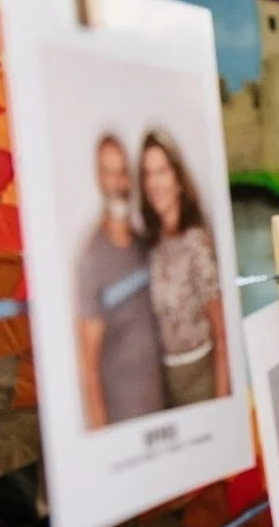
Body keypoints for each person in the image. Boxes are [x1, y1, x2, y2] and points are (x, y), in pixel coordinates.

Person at [76, 134, 167, 430]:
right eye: (108, 172)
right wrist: (104, 439)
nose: (117, 182)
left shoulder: (144, 244)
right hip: (124, 422)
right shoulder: (92, 258)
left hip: (163, 412)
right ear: (99, 178)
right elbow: (89, 367)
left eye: (122, 172)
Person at [139, 129, 231, 407]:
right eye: (147, 174)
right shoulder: (151, 247)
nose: (154, 183)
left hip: (200, 382)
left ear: (178, 179)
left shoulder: (197, 243)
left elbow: (222, 333)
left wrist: (222, 405)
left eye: (162, 171)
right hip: (163, 387)